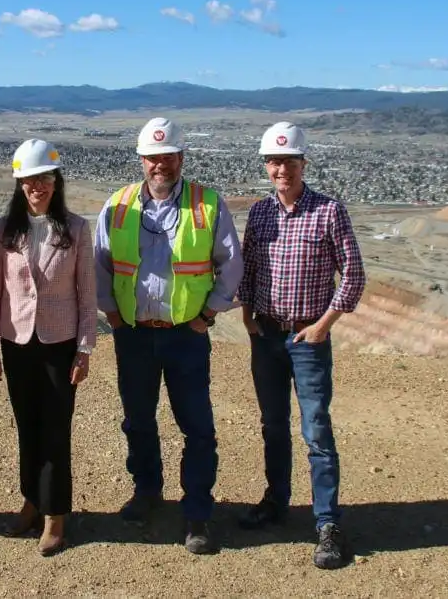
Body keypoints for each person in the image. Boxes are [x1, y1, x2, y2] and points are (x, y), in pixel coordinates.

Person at [93, 116, 243, 555]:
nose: (161, 165)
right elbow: (100, 265)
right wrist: (114, 318)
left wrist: (208, 316)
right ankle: (147, 491)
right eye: (153, 158)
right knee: (138, 419)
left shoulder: (208, 204)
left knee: (197, 426)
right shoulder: (118, 205)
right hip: (134, 335)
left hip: (186, 336)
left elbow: (230, 264)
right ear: (141, 160)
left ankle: (197, 512)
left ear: (181, 159)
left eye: (169, 157)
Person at [236, 121, 366, 570]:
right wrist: (248, 314)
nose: (281, 169)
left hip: (308, 336)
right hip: (266, 335)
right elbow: (249, 268)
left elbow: (353, 274)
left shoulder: (329, 211)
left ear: (303, 163)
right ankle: (276, 502)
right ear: (266, 166)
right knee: (273, 425)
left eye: (289, 161)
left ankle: (327, 523)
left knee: (316, 430)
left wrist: (325, 324)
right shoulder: (259, 213)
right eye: (273, 161)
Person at [0, 138, 97, 557]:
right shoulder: (3, 231)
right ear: (19, 184)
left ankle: (55, 515)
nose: (37, 187)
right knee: (27, 427)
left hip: (59, 344)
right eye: (29, 180)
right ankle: (30, 501)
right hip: (16, 344)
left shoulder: (78, 229)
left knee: (55, 430)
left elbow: (87, 296)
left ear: (56, 180)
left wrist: (85, 350)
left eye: (44, 178)